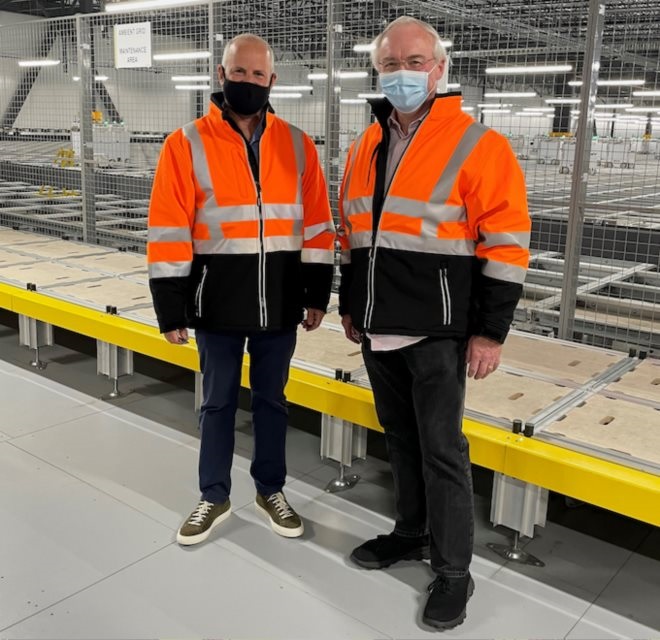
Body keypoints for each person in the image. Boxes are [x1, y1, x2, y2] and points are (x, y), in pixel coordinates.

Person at [337, 16, 530, 631]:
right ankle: (411, 532)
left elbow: (506, 243)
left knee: (443, 451)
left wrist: (490, 331)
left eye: (414, 62)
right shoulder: (365, 144)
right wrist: (350, 304)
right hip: (378, 324)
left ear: (440, 69)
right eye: (390, 64)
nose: (402, 74)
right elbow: (353, 234)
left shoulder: (478, 144)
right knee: (399, 438)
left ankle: (453, 571)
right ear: (377, 71)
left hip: (438, 330)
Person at [148, 33, 335, 546]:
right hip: (216, 301)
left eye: (257, 74)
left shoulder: (298, 145)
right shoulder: (185, 143)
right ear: (220, 75)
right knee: (217, 404)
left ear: (272, 80)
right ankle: (214, 495)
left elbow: (318, 224)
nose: (248, 81)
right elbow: (169, 228)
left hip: (280, 300)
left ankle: (270, 490)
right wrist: (171, 307)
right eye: (239, 72)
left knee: (273, 402)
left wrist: (316, 293)